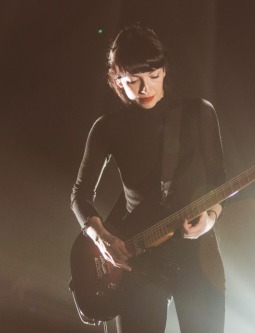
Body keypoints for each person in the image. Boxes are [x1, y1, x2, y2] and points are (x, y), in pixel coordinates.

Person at [71, 24, 226, 332]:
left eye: (154, 76)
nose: (146, 89)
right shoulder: (107, 128)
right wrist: (102, 240)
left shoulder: (199, 113)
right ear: (117, 79)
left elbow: (218, 181)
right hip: (137, 258)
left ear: (165, 70)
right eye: (133, 81)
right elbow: (80, 195)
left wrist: (210, 217)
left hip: (197, 255)